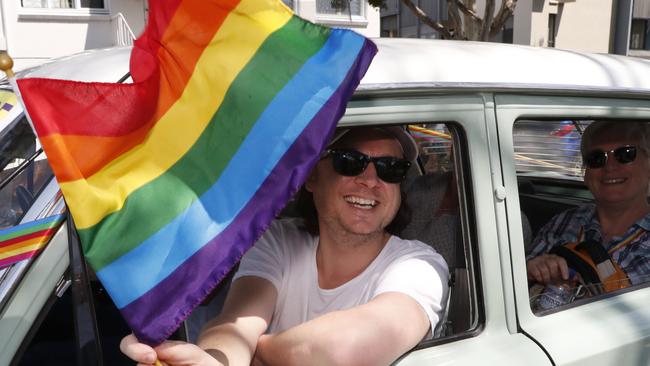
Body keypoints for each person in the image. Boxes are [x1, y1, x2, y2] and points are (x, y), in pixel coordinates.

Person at [121, 126, 449, 366]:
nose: (370, 180)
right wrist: (216, 362)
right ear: (310, 177)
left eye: (391, 169)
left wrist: (254, 351)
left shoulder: (419, 265)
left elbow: (339, 351)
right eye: (349, 162)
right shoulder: (279, 240)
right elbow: (236, 321)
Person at [527, 121, 650, 292]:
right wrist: (533, 269)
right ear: (586, 174)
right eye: (596, 159)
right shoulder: (566, 221)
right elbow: (512, 281)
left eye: (626, 154)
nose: (610, 167)